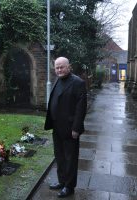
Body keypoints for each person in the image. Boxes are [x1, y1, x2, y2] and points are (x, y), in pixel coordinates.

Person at [44, 57, 87, 198]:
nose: (59, 70)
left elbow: (81, 108)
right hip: (57, 127)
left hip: (70, 129)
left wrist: (76, 128)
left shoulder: (78, 83)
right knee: (60, 156)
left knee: (70, 158)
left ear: (69, 66)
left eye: (62, 67)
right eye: (57, 67)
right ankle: (62, 181)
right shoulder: (58, 80)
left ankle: (69, 186)